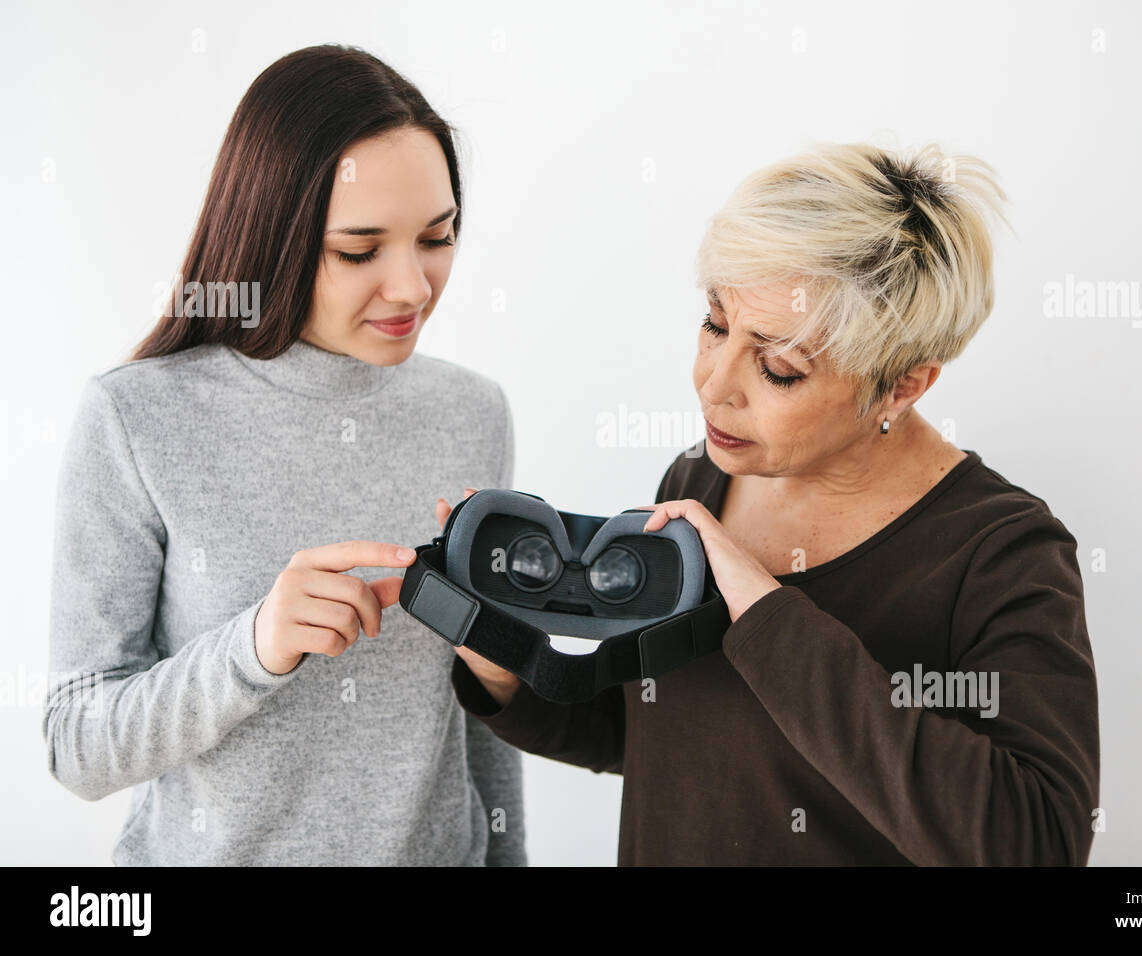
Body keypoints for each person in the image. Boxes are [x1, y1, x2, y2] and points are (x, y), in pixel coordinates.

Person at [448, 142, 1101, 865]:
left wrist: (768, 619)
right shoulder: (700, 480)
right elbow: (662, 742)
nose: (713, 384)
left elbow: (1038, 843)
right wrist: (505, 664)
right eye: (715, 323)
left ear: (903, 385)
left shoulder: (1001, 553)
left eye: (778, 367)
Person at [42, 44, 525, 866]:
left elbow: (477, 729)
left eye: (437, 237)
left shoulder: (471, 412)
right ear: (271, 235)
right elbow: (76, 742)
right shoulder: (136, 416)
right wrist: (253, 647)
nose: (411, 287)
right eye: (359, 251)